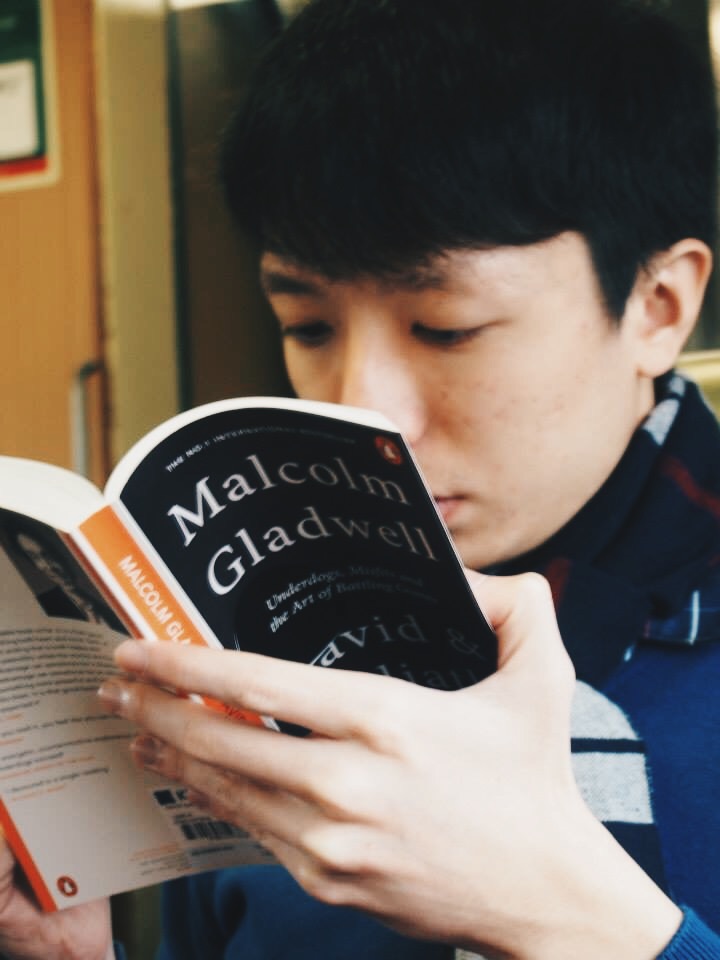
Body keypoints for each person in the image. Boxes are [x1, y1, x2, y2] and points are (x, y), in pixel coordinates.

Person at [2, 0, 720, 956]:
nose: (361, 414)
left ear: (658, 306)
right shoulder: (271, 652)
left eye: (446, 329)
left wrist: (565, 912)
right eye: (308, 328)